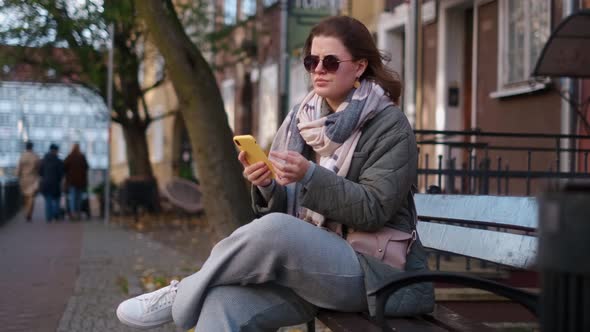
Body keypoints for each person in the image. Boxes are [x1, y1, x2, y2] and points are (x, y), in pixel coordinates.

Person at [116, 16, 434, 331]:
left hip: (375, 274)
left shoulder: (391, 127)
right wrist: (269, 186)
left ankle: (180, 294)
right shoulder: (303, 122)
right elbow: (292, 210)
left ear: (360, 66)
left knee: (277, 230)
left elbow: (373, 209)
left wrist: (309, 175)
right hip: (312, 271)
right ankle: (188, 294)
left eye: (331, 62)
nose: (319, 70)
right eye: (312, 61)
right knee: (222, 303)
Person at [39, 143, 64, 223]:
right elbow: (61, 174)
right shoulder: (59, 161)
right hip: (55, 184)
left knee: (48, 201)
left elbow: (40, 172)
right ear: (56, 151)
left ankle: (48, 217)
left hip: (45, 183)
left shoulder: (43, 160)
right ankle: (55, 215)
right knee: (56, 200)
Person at [64, 143, 89, 221]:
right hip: (80, 181)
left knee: (72, 198)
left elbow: (64, 167)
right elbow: (86, 167)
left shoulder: (70, 157)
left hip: (72, 181)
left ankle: (73, 214)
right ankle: (78, 213)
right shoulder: (82, 157)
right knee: (79, 198)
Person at [16, 141, 40, 221]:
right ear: (32, 147)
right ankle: (29, 213)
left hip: (24, 179)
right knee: (31, 196)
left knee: (26, 196)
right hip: (33, 178)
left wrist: (18, 175)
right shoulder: (35, 156)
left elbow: (19, 168)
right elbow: (39, 167)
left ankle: (27, 211)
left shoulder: (22, 156)